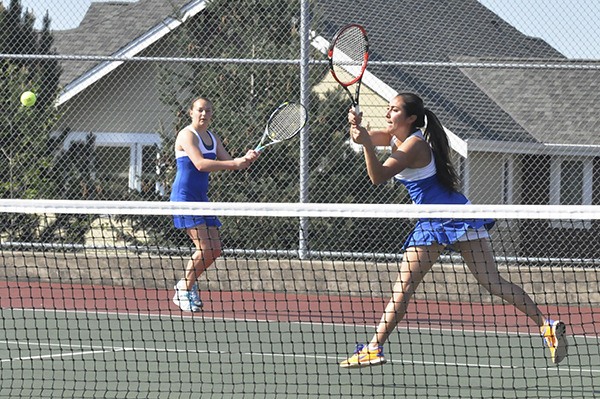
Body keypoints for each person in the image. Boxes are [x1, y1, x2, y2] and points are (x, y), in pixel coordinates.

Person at [339, 92, 567, 368]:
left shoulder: (413, 145)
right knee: (492, 282)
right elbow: (364, 137)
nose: (388, 114)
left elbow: (377, 177)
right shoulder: (395, 137)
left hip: (440, 220)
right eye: (387, 109)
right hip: (459, 213)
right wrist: (357, 127)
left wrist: (364, 144)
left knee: (404, 287)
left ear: (410, 118)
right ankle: (546, 325)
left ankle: (374, 347)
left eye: (394, 110)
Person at [170, 96, 259, 312]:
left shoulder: (212, 137)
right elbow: (200, 164)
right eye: (200, 110)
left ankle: (185, 285)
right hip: (184, 198)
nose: (204, 114)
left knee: (215, 249)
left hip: (202, 199)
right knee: (204, 247)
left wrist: (245, 160)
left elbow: (231, 163)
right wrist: (234, 163)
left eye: (208, 111)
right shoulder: (186, 135)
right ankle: (183, 290)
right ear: (191, 112)